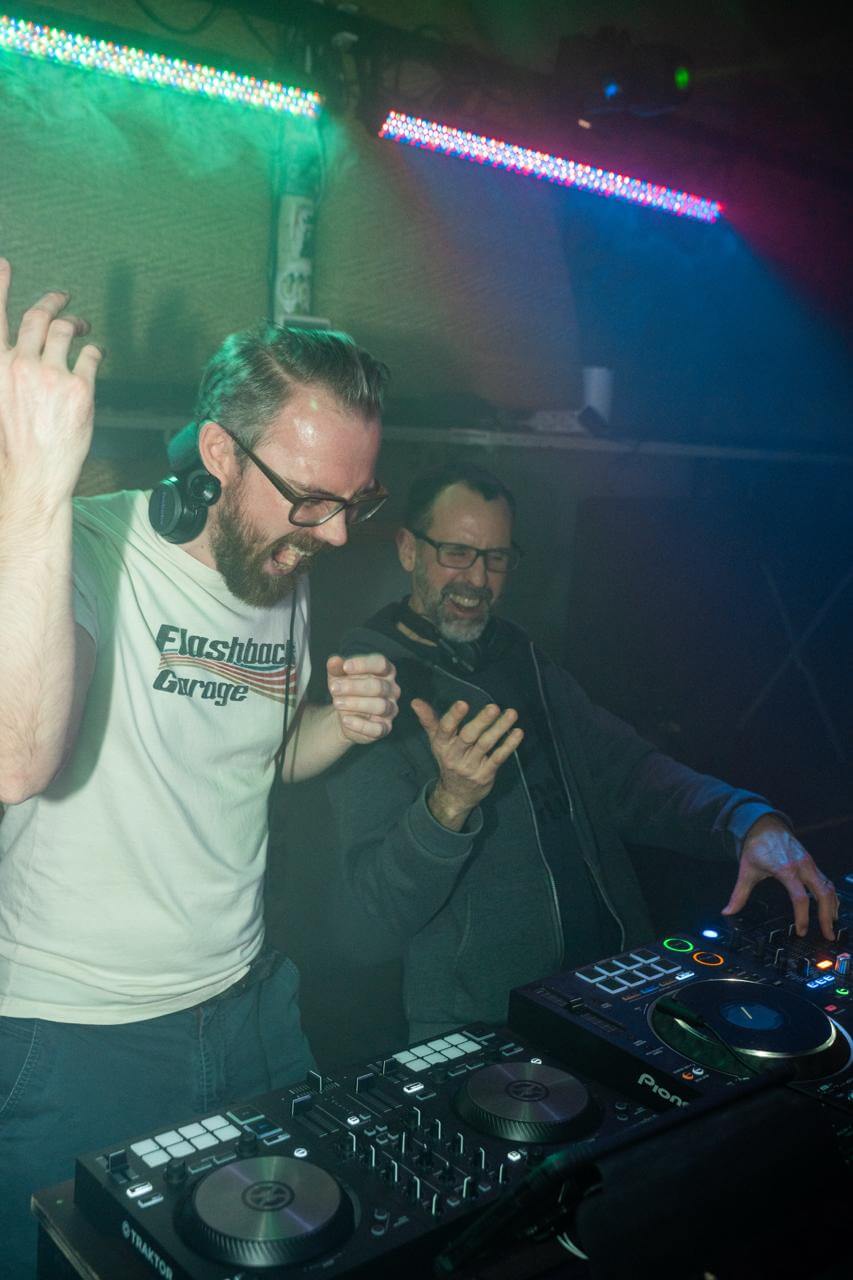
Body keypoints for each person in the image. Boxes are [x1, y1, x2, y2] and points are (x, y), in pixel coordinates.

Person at [0, 258, 399, 1278]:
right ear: (219, 450)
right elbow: (15, 755)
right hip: (81, 1031)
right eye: (312, 498)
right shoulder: (82, 551)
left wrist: (338, 728)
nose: (335, 531)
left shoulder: (282, 567)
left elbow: (259, 756)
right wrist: (34, 494)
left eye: (356, 501)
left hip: (252, 1006)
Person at [327, 461, 839, 1044]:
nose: (478, 578)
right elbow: (364, 927)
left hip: (610, 990)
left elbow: (630, 775)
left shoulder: (519, 654)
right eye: (457, 553)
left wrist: (745, 820)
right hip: (483, 1026)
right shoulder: (367, 690)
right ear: (408, 549)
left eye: (497, 557)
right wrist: (448, 806)